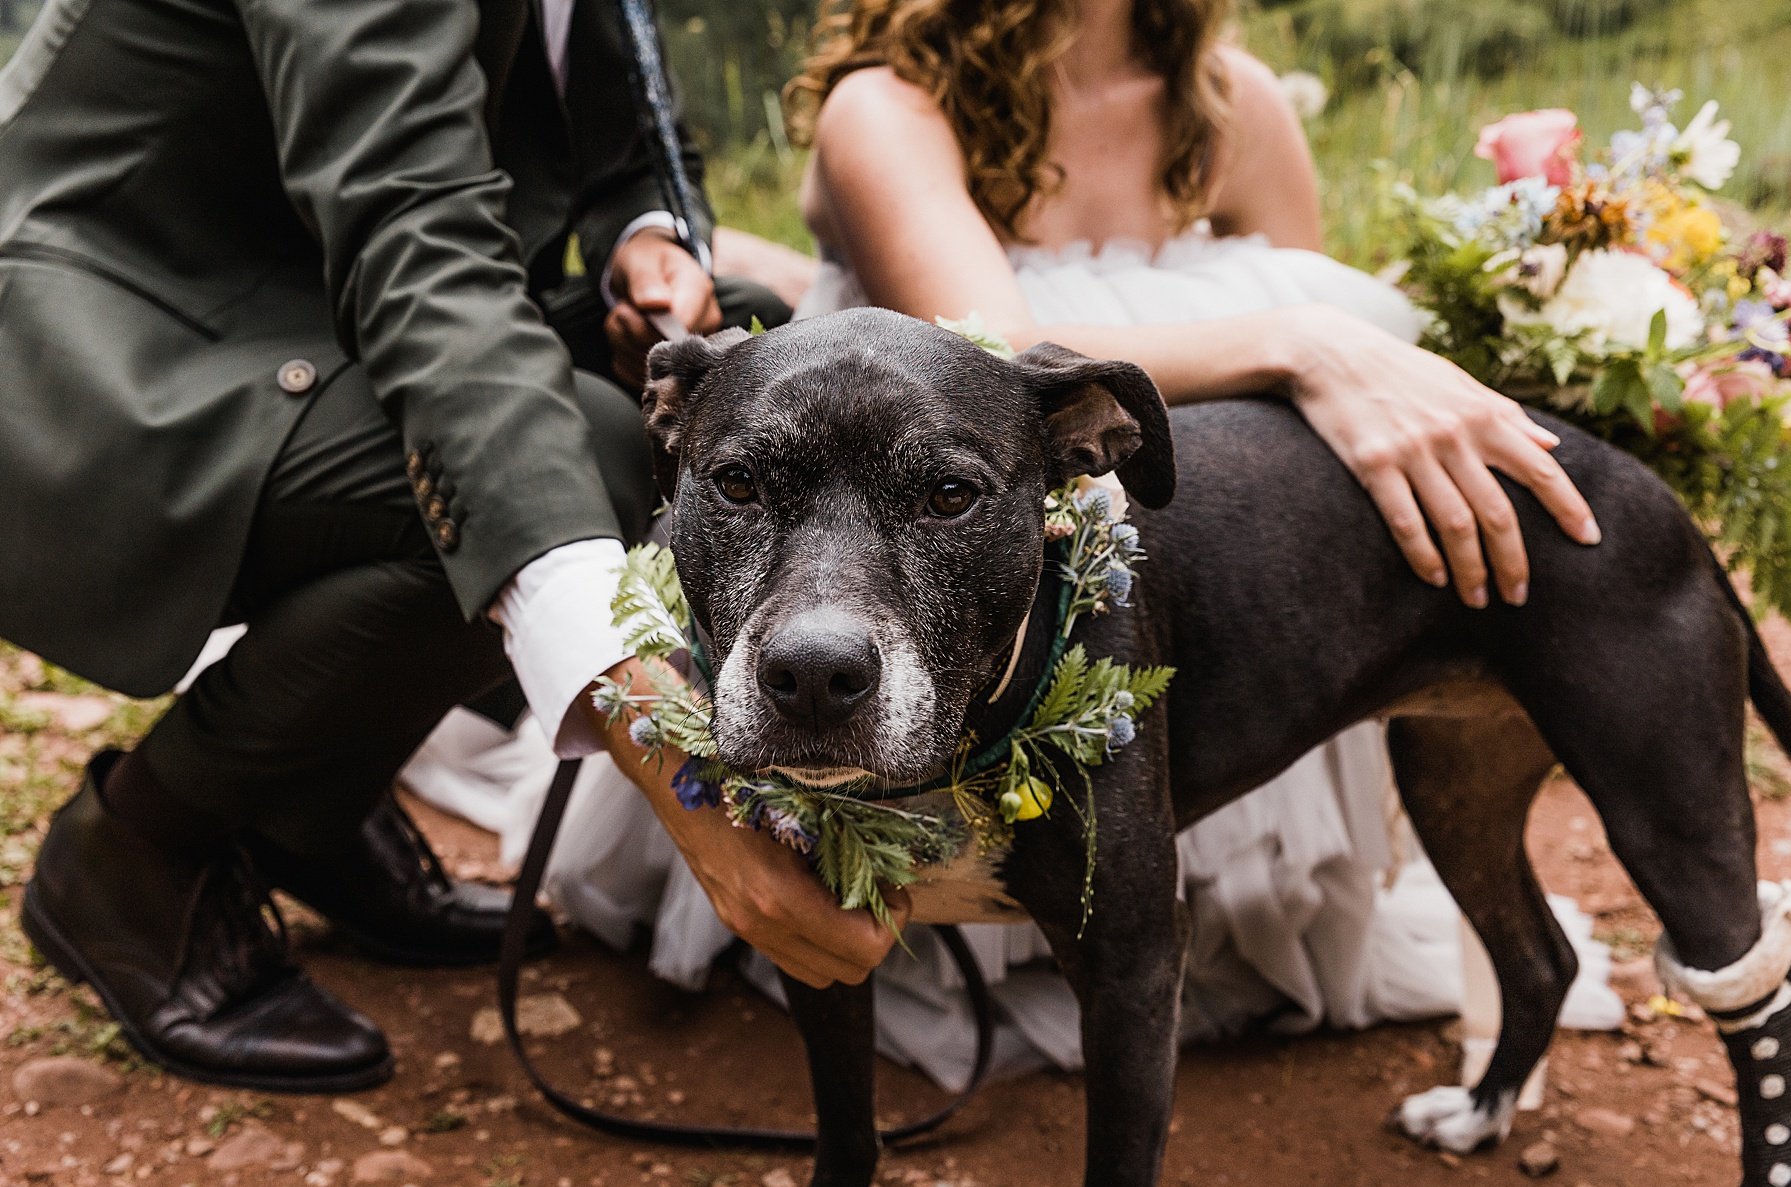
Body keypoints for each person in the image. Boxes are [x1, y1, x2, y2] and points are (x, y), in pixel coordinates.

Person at [479, 0, 1622, 1086]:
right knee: (839, 850)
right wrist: (1309, 339)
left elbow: (1283, 417)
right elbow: (1000, 348)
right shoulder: (888, 104)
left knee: (1160, 844)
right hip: (894, 526)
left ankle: (1172, 911)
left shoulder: (1238, 100)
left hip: (1132, 563)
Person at [0, 0, 897, 1093]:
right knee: (595, 453)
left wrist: (646, 239)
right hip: (93, 346)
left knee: (745, 357)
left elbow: (624, 127)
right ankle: (136, 856)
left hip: (309, 316)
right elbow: (410, 228)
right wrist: (669, 759)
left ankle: (304, 811)